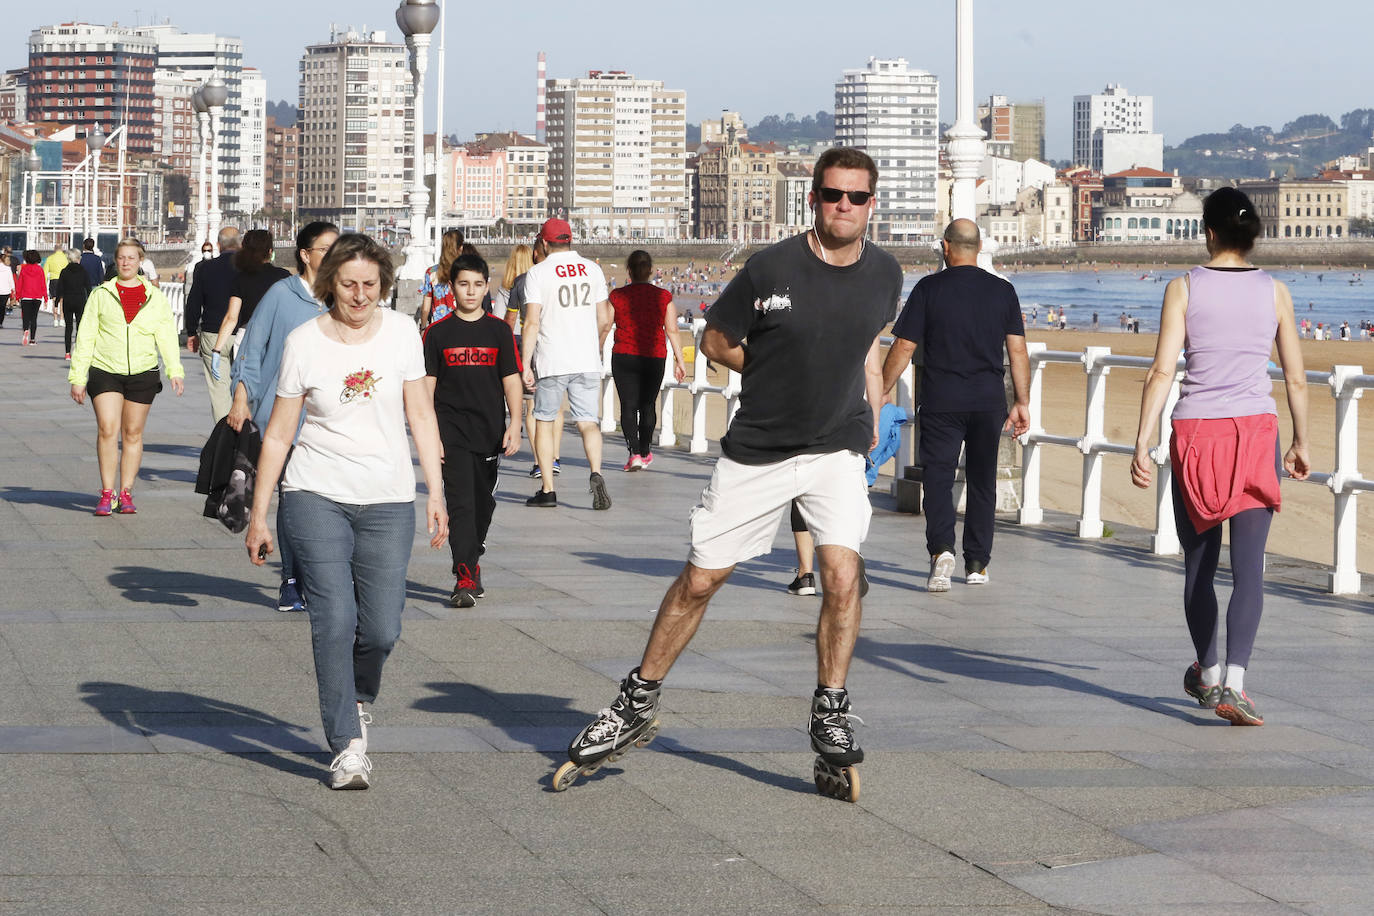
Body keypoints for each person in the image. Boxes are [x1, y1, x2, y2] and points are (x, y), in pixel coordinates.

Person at [555, 148, 902, 801]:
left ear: (872, 203)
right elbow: (715, 340)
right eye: (833, 195)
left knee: (842, 574)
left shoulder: (885, 273)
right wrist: (774, 374)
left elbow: (870, 351)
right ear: (814, 198)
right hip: (762, 447)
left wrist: (872, 423)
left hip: (837, 446)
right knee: (701, 579)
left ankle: (830, 708)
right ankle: (638, 698)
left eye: (857, 197)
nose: (844, 207)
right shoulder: (772, 266)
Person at [244, 233, 448, 789]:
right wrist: (260, 514)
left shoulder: (404, 332)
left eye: (370, 285)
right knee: (334, 618)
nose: (359, 296)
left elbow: (422, 417)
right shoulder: (306, 341)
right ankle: (347, 745)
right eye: (348, 284)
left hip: (387, 497)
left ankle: (358, 697)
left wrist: (437, 492)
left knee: (381, 628)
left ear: (385, 285)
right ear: (329, 281)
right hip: (315, 493)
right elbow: (281, 433)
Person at [1130, 187, 1310, 728]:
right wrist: (1301, 439)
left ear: (1207, 232)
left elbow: (1163, 371)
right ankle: (1235, 682)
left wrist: (1143, 440)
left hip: (1196, 434)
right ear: (1251, 234)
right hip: (1256, 431)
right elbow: (1295, 375)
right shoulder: (1275, 291)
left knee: (1200, 562)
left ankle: (1207, 672)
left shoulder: (1183, 288)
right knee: (1248, 567)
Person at [881, 219, 1030, 591]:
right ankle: (977, 563)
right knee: (983, 481)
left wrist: (880, 390)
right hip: (987, 401)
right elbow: (1017, 350)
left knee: (938, 477)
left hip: (942, 399)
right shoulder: (1003, 291)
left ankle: (941, 551)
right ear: (979, 248)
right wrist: (1022, 401)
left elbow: (904, 346)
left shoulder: (929, 288)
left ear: (946, 247)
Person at [228, 221, 340, 612]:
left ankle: (318, 574)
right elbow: (253, 350)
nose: (334, 255)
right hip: (285, 420)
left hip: (330, 421)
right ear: (305, 255)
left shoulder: (343, 298)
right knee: (293, 500)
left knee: (322, 503)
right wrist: (241, 397)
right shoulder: (281, 295)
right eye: (326, 248)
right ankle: (292, 579)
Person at [422, 253, 523, 608]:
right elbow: (427, 390)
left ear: (486, 287)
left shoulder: (498, 332)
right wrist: (431, 435)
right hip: (451, 432)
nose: (470, 291)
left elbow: (512, 381)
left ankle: (472, 555)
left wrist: (516, 423)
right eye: (463, 284)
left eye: (478, 285)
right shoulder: (436, 333)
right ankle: (463, 575)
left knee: (483, 505)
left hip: (489, 431)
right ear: (452, 287)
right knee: (462, 504)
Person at [68, 238, 186, 515]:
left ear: (140, 261)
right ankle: (107, 493)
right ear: (115, 261)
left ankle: (127, 492)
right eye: (121, 258)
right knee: (108, 429)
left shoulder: (155, 297)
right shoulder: (101, 294)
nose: (126, 263)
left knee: (132, 433)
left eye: (132, 258)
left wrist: (175, 370)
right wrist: (78, 376)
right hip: (105, 369)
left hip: (143, 372)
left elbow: (166, 336)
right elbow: (86, 336)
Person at [519, 218, 613, 510]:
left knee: (545, 421)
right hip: (585, 359)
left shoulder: (537, 274)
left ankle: (548, 490)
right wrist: (595, 344)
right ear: (570, 241)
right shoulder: (593, 270)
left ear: (544, 243)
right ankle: (596, 472)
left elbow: (532, 321)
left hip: (552, 360)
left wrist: (525, 363)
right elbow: (604, 318)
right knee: (588, 421)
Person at [609, 249, 687, 471]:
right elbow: (672, 330)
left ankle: (633, 453)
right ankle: (645, 451)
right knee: (648, 405)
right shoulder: (663, 297)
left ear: (629, 270)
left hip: (624, 354)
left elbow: (605, 324)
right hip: (654, 356)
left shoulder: (617, 296)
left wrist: (597, 348)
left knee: (628, 405)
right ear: (651, 271)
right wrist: (680, 361)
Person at [208, 229, 290, 380]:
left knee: (244, 391)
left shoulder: (241, 279)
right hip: (277, 337)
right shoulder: (284, 277)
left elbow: (231, 318)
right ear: (270, 251)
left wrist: (217, 350)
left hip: (247, 337)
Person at [185, 227, 242, 421]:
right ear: (240, 244)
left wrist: (192, 331)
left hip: (213, 334)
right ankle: (242, 436)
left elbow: (193, 301)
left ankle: (223, 439)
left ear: (218, 245)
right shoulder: (249, 269)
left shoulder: (205, 268)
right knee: (244, 387)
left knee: (219, 393)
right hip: (243, 334)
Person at [418, 229, 462, 329]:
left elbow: (425, 308)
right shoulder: (464, 271)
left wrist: (423, 328)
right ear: (461, 248)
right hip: (461, 326)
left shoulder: (431, 272)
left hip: (438, 328)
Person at [55, 249, 92, 360]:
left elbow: (60, 288)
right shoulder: (83, 271)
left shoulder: (64, 271)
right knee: (80, 326)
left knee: (69, 327)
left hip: (68, 301)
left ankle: (67, 353)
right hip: (80, 300)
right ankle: (77, 349)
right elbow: (88, 287)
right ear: (78, 258)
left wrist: (56, 302)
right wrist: (91, 300)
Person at [495, 243, 532, 333]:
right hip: (531, 335)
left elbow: (497, 317)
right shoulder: (535, 286)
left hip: (513, 336)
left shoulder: (504, 288)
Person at [15, 249, 48, 347]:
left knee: (26, 317)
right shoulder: (40, 269)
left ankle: (25, 330)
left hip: (26, 296)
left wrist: (17, 296)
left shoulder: (24, 269)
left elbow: (20, 283)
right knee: (34, 318)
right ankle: (32, 340)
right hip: (37, 297)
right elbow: (43, 284)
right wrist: (45, 297)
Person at [0, 250, 14, 329]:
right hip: (5, 290)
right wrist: (13, 288)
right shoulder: (8, 269)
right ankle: (0, 322)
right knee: (2, 307)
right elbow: (10, 280)